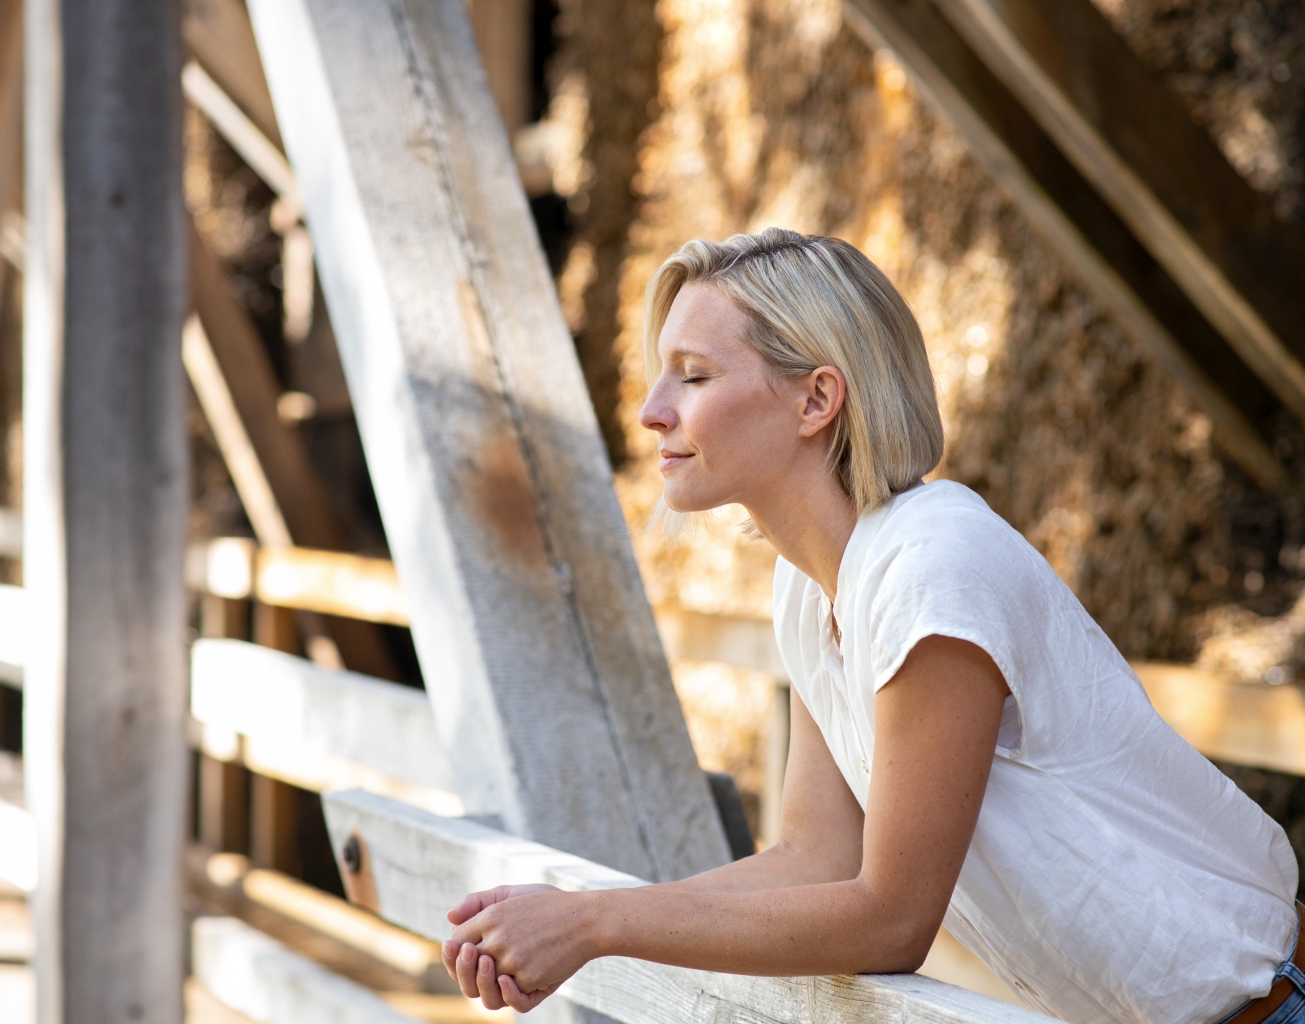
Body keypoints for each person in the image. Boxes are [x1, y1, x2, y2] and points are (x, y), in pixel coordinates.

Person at [437, 228, 1301, 1024]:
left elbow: (890, 917)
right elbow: (815, 858)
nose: (651, 410)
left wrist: (596, 922)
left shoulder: (934, 567)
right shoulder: (813, 588)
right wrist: (563, 922)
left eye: (693, 375)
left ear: (816, 399)